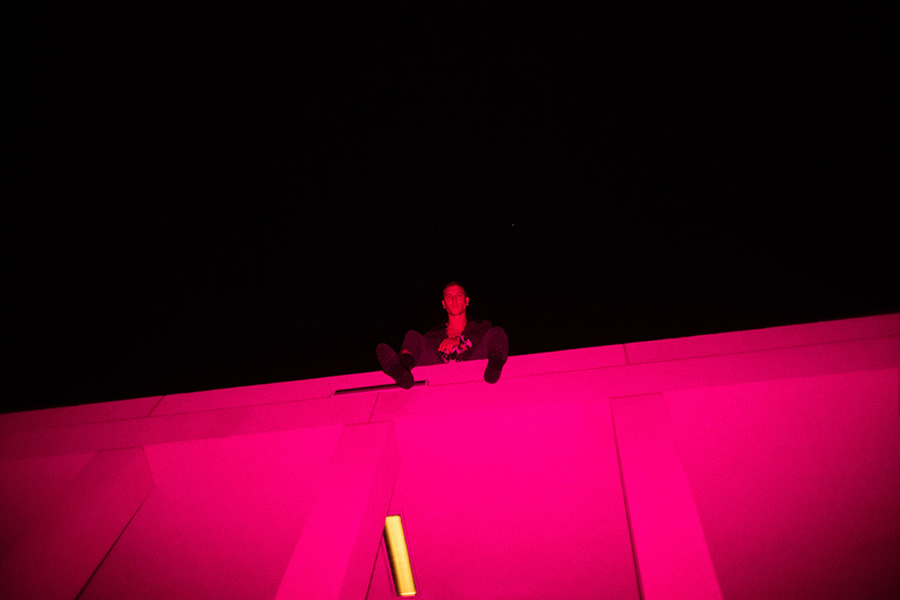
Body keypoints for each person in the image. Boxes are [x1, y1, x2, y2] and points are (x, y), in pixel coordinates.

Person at [376, 282, 509, 389]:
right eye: (449, 297)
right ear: (444, 304)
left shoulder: (482, 327)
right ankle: (402, 370)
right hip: (440, 372)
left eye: (458, 296)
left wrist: (459, 341)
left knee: (497, 332)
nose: (454, 300)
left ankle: (495, 366)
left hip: (472, 367)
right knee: (412, 336)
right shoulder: (432, 335)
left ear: (467, 301)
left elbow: (487, 340)